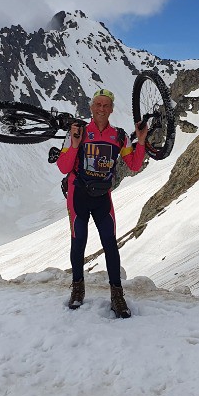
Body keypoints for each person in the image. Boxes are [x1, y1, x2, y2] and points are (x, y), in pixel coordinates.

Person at [56, 88, 147, 318]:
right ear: (91, 107)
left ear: (112, 109)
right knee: (79, 242)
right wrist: (75, 144)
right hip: (78, 195)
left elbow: (134, 165)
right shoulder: (78, 132)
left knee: (110, 244)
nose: (102, 109)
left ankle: (117, 295)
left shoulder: (119, 136)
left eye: (106, 105)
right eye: (98, 104)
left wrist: (142, 141)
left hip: (102, 198)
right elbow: (64, 167)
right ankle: (78, 288)